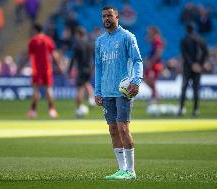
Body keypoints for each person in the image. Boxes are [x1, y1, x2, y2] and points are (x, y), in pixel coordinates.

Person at [94, 6, 143, 180]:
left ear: (117, 17)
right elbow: (98, 68)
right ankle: (121, 169)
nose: (106, 18)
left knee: (123, 128)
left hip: (123, 91)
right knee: (113, 129)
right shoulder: (99, 41)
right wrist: (97, 91)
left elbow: (138, 60)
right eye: (104, 16)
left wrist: (136, 80)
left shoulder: (127, 37)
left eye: (109, 15)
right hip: (106, 91)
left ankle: (131, 171)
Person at [17, 23, 62, 118]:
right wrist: (59, 65)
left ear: (35, 30)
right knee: (49, 90)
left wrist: (20, 67)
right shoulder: (48, 40)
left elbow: (27, 56)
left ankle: (33, 111)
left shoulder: (32, 41)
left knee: (35, 90)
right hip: (47, 69)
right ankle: (52, 110)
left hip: (36, 69)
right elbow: (54, 55)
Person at [178, 23, 208, 117]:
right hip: (198, 68)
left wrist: (192, 64)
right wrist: (199, 64)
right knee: (196, 89)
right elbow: (205, 53)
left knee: (184, 88)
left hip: (187, 67)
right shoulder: (201, 40)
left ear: (187, 29)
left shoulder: (184, 40)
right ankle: (195, 110)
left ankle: (182, 109)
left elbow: (184, 54)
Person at [70, 26, 95, 117]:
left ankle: (79, 108)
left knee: (80, 89)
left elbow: (74, 59)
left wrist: (70, 70)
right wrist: (93, 68)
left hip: (81, 69)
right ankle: (91, 99)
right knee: (86, 83)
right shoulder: (90, 44)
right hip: (89, 68)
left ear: (78, 34)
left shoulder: (77, 44)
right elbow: (94, 58)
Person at [144, 26, 164, 104]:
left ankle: (155, 96)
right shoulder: (155, 40)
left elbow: (158, 53)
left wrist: (151, 62)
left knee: (150, 79)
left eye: (149, 32)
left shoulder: (157, 41)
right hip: (153, 63)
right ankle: (155, 95)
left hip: (155, 64)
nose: (148, 33)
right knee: (147, 78)